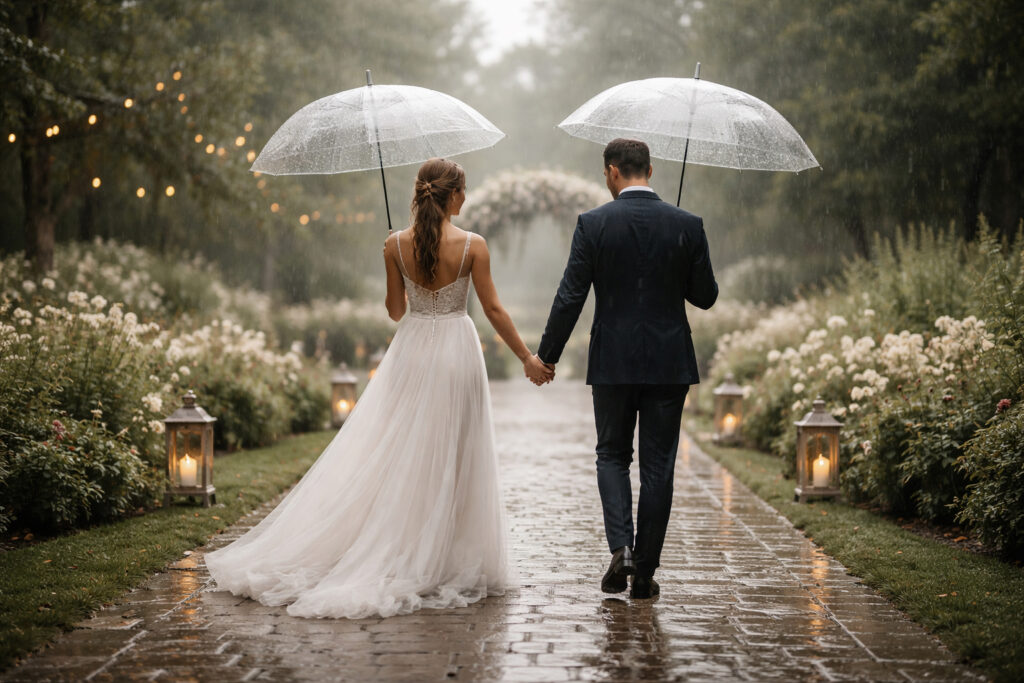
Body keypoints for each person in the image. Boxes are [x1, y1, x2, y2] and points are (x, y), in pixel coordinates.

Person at [205, 157, 553, 619]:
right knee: (454, 448)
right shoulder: (474, 246)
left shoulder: (394, 244)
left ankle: (407, 540)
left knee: (406, 448)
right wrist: (528, 358)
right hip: (456, 349)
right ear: (450, 196)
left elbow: (394, 311)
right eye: (463, 192)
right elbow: (493, 310)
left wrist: (400, 263)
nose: (466, 200)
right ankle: (442, 552)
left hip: (411, 351)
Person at [535, 138, 718, 599]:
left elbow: (570, 295)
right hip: (669, 363)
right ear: (651, 172)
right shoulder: (687, 224)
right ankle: (646, 571)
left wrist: (547, 355)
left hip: (613, 362)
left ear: (613, 172)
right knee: (659, 467)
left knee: (613, 456)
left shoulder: (593, 224)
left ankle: (622, 549)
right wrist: (681, 254)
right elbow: (706, 295)